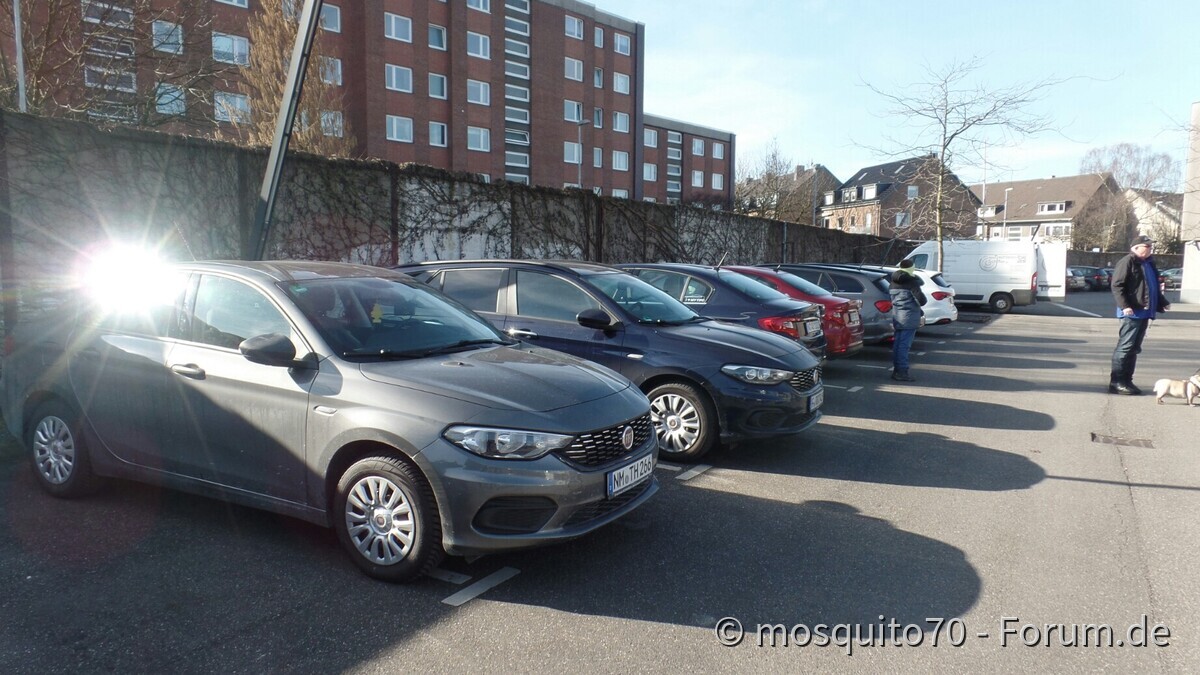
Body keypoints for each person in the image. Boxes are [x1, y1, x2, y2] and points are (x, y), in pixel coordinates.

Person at [1108, 235, 1171, 395]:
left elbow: (1153, 287)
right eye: (1147, 246)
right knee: (1125, 347)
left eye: (1151, 247)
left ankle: (1127, 380)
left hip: (1144, 312)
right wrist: (1125, 306)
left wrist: (1162, 302)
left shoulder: (1149, 263)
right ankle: (1117, 382)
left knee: (1134, 348)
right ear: (1136, 248)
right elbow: (1117, 285)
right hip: (1132, 312)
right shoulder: (1128, 261)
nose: (1150, 249)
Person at [889, 259, 926, 382]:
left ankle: (897, 370)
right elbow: (922, 300)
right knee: (904, 346)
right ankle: (902, 372)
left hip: (898, 317)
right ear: (912, 268)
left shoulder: (892, 282)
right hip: (909, 318)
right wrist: (915, 279)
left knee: (898, 345)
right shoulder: (912, 282)